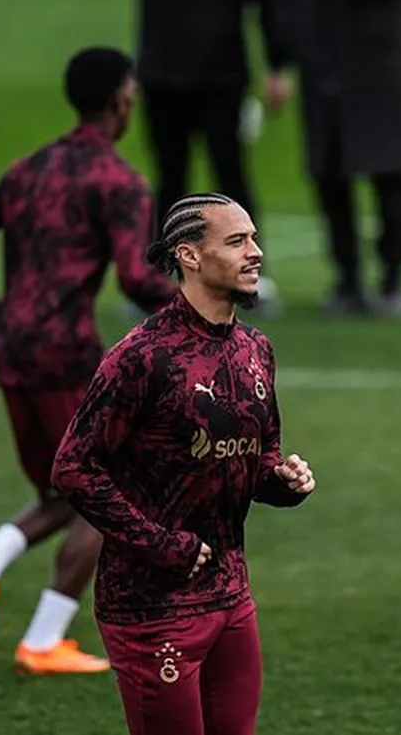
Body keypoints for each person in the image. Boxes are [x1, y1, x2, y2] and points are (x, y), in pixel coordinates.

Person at [0, 47, 177, 675]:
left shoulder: (31, 167)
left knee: (65, 489)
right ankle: (44, 639)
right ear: (121, 100)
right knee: (112, 490)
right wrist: (201, 307)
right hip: (66, 356)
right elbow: (135, 277)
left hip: (12, 352)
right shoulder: (120, 182)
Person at [50, 192, 317, 733]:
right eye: (237, 241)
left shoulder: (255, 350)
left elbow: (258, 457)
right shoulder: (142, 357)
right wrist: (162, 545)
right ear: (189, 255)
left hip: (231, 597)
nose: (255, 252)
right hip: (151, 607)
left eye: (254, 239)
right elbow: (73, 469)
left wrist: (283, 482)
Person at [86, 0, 294, 314]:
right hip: (164, 72)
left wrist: (277, 63)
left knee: (231, 176)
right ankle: (157, 282)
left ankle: (248, 277)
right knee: (170, 178)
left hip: (223, 73)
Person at [277, 0, 401, 317]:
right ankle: (346, 279)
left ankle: (393, 278)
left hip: (378, 60)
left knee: (389, 170)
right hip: (321, 60)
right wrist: (281, 56)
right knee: (329, 173)